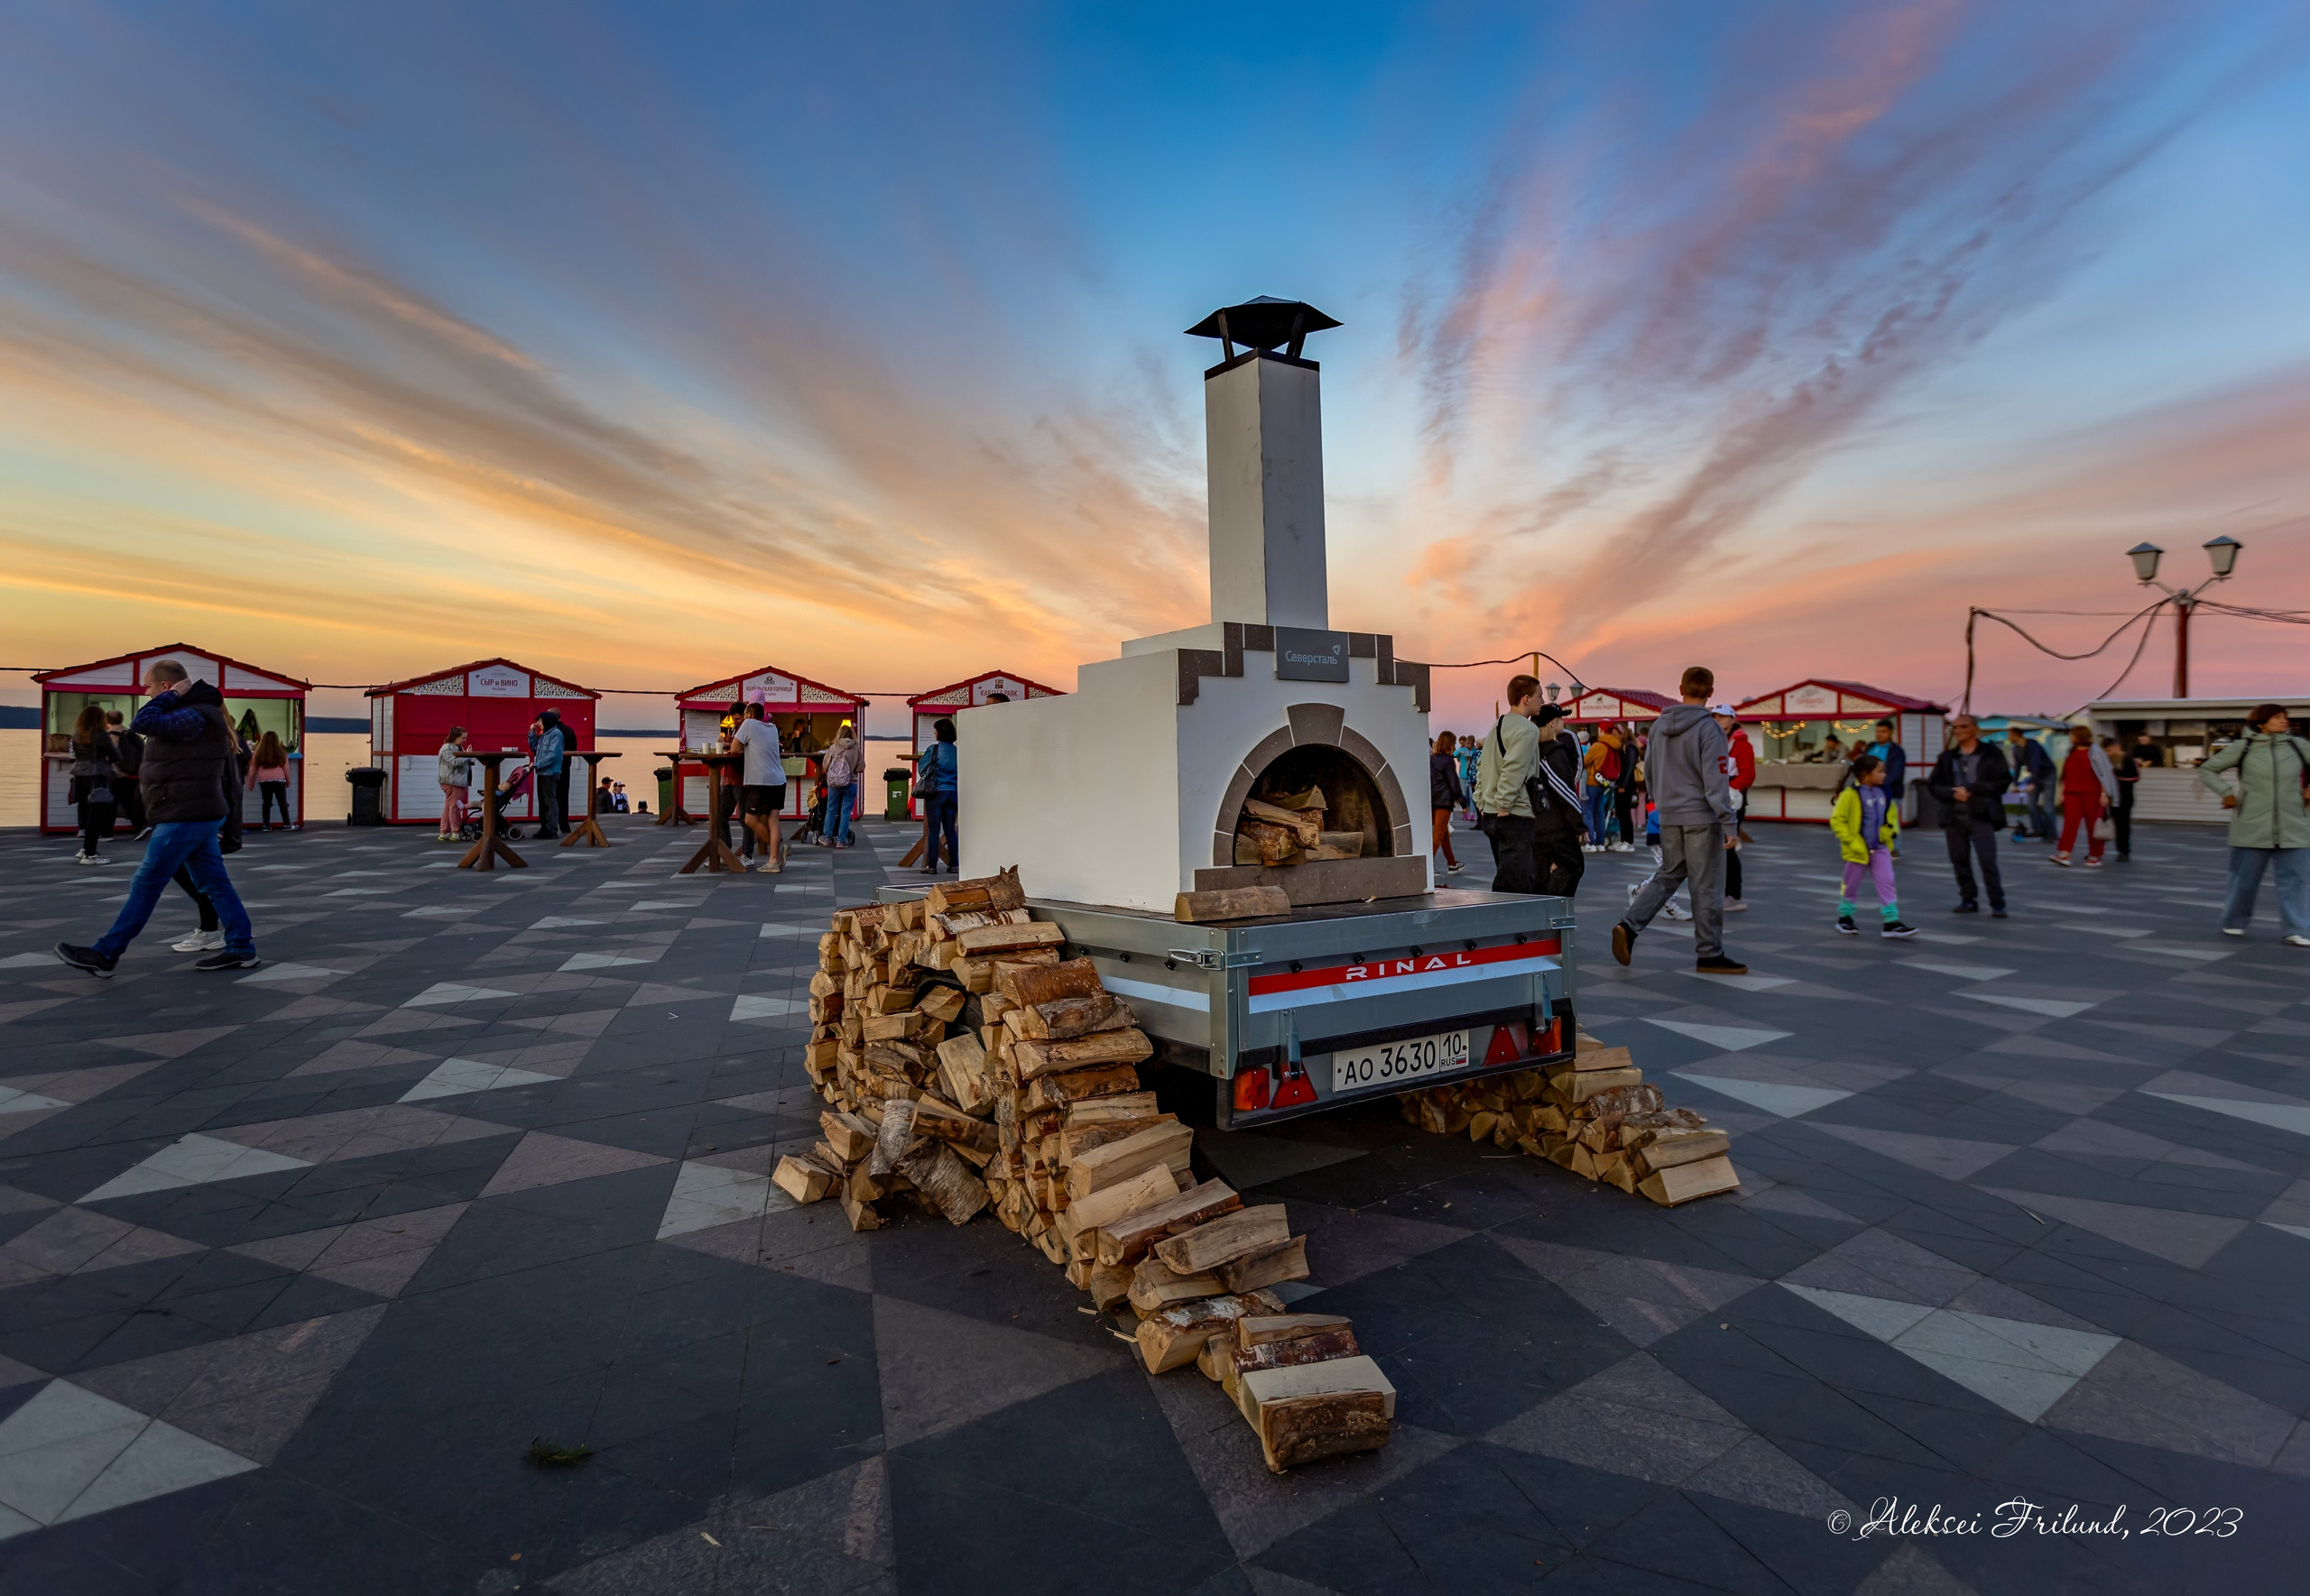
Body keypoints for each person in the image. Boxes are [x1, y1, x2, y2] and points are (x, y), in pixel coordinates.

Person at [55, 660, 258, 975]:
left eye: (148, 686)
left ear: (166, 686)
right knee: (215, 883)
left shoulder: (194, 715)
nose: (145, 692)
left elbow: (142, 723)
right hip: (191, 811)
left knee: (148, 882)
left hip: (185, 813)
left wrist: (171, 697)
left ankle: (106, 954)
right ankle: (241, 947)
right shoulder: (192, 713)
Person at [1612, 667, 1744, 974]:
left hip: (1669, 814)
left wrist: (1662, 804)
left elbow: (1651, 771)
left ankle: (1629, 927)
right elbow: (1716, 781)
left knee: (1670, 872)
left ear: (1680, 687)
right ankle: (1710, 953)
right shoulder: (1709, 729)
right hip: (1702, 816)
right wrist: (1729, 822)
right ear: (1711, 692)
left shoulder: (1658, 727)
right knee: (1707, 885)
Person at [2199, 704, 2310, 946]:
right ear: (2261, 722)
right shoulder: (2243, 747)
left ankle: (2297, 929)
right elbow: (2208, 769)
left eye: (2285, 718)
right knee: (2243, 881)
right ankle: (2234, 922)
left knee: (2297, 881)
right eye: (2277, 718)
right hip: (2251, 824)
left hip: (2295, 824)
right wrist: (2226, 793)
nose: (2284, 722)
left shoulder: (2298, 746)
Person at [1927, 714, 2010, 916]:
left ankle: (1997, 902)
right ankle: (1967, 899)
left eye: (1963, 727)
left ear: (1974, 729)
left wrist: (1973, 789)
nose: (1958, 731)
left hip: (1981, 814)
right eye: (1955, 727)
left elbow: (2002, 782)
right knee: (1959, 859)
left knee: (1987, 859)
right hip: (1954, 816)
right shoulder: (1947, 757)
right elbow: (1933, 785)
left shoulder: (1991, 754)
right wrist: (1952, 792)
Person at [1831, 755, 1916, 938]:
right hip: (1857, 851)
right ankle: (1845, 918)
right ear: (1865, 774)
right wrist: (1852, 842)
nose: (1884, 774)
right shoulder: (1850, 795)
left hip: (1880, 848)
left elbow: (1891, 815)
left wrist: (1889, 833)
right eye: (1880, 771)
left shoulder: (1884, 792)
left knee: (1887, 882)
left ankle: (1891, 922)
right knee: (1850, 885)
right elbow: (1837, 821)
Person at [2050, 724, 2116, 868]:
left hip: (2092, 794)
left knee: (2093, 825)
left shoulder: (2095, 752)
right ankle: (2064, 854)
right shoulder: (2071, 752)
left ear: (2079, 736)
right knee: (2069, 824)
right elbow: (2066, 775)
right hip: (2072, 794)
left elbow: (2103, 774)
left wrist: (2105, 794)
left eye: (2072, 734)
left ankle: (2095, 855)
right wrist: (2062, 792)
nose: (2070, 737)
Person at [733, 702, 786, 873]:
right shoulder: (771, 727)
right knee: (773, 819)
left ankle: (776, 854)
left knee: (750, 820)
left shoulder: (748, 724)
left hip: (761, 781)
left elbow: (734, 748)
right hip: (779, 779)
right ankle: (773, 860)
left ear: (748, 715)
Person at [67, 705, 120, 865]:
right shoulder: (100, 735)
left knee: (84, 810)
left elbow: (74, 753)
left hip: (80, 775)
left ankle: (84, 849)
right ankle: (90, 853)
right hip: (97, 776)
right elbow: (115, 755)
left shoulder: (77, 733)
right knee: (96, 815)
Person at [1718, 706, 1754, 912]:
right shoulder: (1714, 741)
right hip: (1716, 799)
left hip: (1733, 800)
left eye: (1722, 716)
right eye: (1715, 716)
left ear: (1732, 719)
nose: (1718, 720)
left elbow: (1748, 774)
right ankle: (1724, 892)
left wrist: (1731, 788)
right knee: (1720, 848)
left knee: (1728, 847)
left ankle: (1733, 895)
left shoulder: (1742, 745)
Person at [918, 717, 960, 875]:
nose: (934, 732)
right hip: (953, 792)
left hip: (936, 793)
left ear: (940, 732)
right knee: (950, 829)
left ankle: (932, 865)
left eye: (935, 730)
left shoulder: (934, 749)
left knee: (934, 830)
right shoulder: (957, 751)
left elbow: (922, 769)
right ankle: (954, 864)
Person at [2005, 726, 2055, 842]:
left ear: (2016, 735)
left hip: (2047, 775)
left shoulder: (2033, 746)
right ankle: (2038, 829)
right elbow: (2017, 766)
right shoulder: (2016, 749)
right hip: (2035, 776)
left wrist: (2032, 783)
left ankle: (2051, 835)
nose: (2008, 737)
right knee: (2031, 805)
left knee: (2048, 807)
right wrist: (2015, 783)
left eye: (2009, 734)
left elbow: (2035, 764)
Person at [106, 711, 149, 839]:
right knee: (129, 801)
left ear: (106, 720)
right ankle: (141, 825)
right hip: (134, 774)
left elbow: (109, 756)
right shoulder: (132, 733)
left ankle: (107, 833)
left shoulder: (109, 736)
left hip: (117, 774)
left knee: (111, 803)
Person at [1429, 730, 1465, 875]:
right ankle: (1425, 866)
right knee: (1438, 835)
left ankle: (1452, 863)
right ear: (1450, 743)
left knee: (1443, 833)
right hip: (1444, 801)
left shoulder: (1432, 759)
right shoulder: (1448, 761)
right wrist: (1463, 801)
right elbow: (1453, 782)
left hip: (1432, 800)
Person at [821, 724, 863, 848]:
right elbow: (861, 768)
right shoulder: (856, 749)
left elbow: (825, 765)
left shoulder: (833, 748)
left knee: (831, 810)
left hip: (833, 784)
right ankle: (841, 840)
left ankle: (827, 837)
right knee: (845, 813)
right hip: (850, 784)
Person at [1580, 725, 1619, 853]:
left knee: (1588, 812)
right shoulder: (1614, 746)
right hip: (1604, 783)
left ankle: (1590, 842)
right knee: (1600, 813)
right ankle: (1601, 843)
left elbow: (1584, 762)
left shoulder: (1598, 746)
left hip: (1592, 781)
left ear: (1601, 730)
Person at [529, 713, 567, 838]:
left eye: (540, 721)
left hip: (550, 772)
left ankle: (552, 829)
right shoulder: (544, 735)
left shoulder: (556, 734)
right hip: (542, 772)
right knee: (543, 802)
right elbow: (535, 748)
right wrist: (532, 733)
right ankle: (544, 827)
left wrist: (537, 764)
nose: (538, 724)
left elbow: (554, 754)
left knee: (550, 801)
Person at [246, 731, 291, 831]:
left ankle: (266, 825)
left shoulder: (258, 753)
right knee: (282, 803)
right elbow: (286, 768)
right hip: (279, 780)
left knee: (266, 803)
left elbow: (252, 771)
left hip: (264, 781)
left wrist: (250, 784)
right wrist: (288, 781)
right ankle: (287, 824)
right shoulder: (281, 752)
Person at [437, 727, 474, 841]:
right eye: (463, 738)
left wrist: (468, 757)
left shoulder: (456, 747)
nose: (465, 740)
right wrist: (467, 755)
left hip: (454, 781)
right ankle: (456, 831)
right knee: (455, 807)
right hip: (454, 782)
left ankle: (445, 831)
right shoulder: (448, 748)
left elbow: (461, 761)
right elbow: (454, 762)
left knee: (449, 806)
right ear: (455, 737)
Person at [2105, 737, 2139, 861]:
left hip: (2125, 797)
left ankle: (2124, 850)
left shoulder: (2127, 759)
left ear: (2117, 747)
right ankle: (2099, 851)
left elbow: (2135, 777)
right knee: (2114, 823)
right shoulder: (2107, 760)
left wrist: (2117, 778)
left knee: (2123, 825)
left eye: (2110, 750)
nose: (2108, 753)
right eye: (2106, 751)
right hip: (2111, 797)